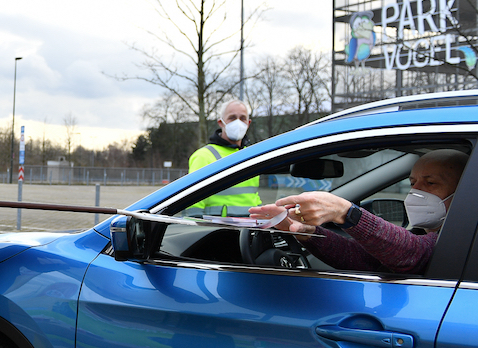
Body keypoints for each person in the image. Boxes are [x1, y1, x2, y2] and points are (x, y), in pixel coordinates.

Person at [249, 149, 468, 274]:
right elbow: (366, 261)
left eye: (430, 183)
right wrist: (306, 232)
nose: (416, 191)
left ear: (465, 190)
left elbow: (413, 253)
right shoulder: (439, 234)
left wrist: (345, 212)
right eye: (412, 182)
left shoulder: (464, 240)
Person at [187, 99, 261, 216]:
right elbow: (193, 202)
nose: (238, 122)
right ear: (221, 122)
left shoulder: (252, 155)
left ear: (248, 123)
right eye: (232, 118)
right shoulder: (204, 155)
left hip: (248, 228)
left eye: (243, 118)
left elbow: (254, 196)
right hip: (217, 230)